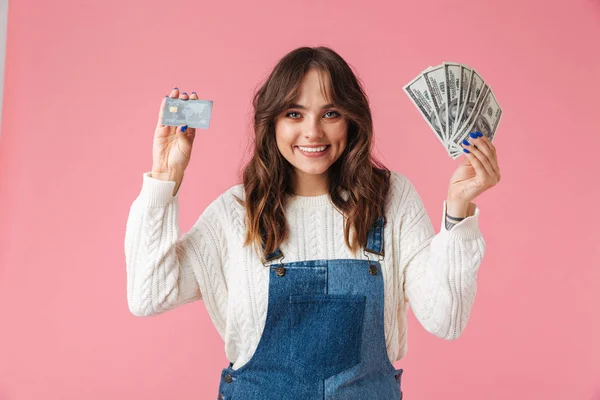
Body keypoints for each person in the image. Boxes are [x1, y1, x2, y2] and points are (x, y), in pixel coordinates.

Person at [124, 46, 500, 399]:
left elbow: (446, 321)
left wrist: (458, 208)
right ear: (271, 122)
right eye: (294, 114)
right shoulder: (237, 212)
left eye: (331, 113)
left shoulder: (391, 199)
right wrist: (164, 176)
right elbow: (148, 294)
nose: (313, 132)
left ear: (352, 120)